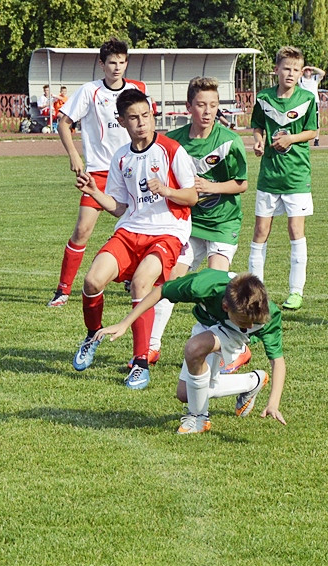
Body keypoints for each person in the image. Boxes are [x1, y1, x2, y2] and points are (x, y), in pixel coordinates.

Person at [70, 88, 198, 390]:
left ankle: (140, 363)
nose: (142, 123)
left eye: (145, 116)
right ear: (122, 121)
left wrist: (167, 191)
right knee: (91, 281)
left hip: (168, 231)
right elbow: (121, 208)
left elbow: (192, 196)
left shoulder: (171, 150)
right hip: (131, 229)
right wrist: (94, 193)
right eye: (133, 118)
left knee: (142, 283)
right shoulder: (122, 157)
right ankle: (92, 335)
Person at [94, 269, 287, 434]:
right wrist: (125, 323)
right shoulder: (201, 285)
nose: (252, 325)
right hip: (208, 324)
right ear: (225, 306)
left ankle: (199, 418)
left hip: (234, 336)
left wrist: (274, 403)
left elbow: (277, 361)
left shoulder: (267, 314)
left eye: (255, 321)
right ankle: (251, 382)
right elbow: (161, 291)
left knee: (194, 348)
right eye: (246, 322)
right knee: (185, 394)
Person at [148, 76, 252, 373]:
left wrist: (210, 186)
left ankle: (234, 351)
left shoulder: (229, 141)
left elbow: (241, 185)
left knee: (214, 289)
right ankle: (151, 347)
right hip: (190, 224)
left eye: (214, 105)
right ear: (188, 107)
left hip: (222, 223)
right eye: (201, 105)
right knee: (169, 283)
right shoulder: (174, 140)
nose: (208, 111)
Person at [49, 38, 150, 308]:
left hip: (131, 169)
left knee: (140, 227)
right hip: (99, 173)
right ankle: (63, 290)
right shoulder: (89, 91)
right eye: (112, 62)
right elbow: (64, 123)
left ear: (127, 62)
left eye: (121, 62)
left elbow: (148, 124)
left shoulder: (138, 89)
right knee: (82, 229)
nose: (117, 67)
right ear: (102, 64)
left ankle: (131, 275)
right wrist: (74, 155)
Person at [247, 46, 319, 311]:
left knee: (295, 230)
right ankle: (257, 292)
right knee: (260, 232)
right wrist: (258, 142)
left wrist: (291, 138)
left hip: (296, 177)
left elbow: (313, 131)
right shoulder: (264, 98)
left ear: (302, 73)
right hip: (269, 177)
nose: (290, 74)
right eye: (286, 68)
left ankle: (296, 291)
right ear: (276, 69)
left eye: (296, 70)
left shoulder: (307, 99)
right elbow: (256, 126)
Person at [298, 65, 325, 146]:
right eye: (306, 70)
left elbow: (323, 73)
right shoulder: (301, 79)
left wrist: (313, 68)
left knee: (316, 121)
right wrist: (302, 69)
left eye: (309, 70)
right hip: (303, 102)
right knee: (302, 120)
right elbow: (296, 76)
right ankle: (302, 138)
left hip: (314, 102)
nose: (308, 72)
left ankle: (316, 139)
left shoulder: (315, 78)